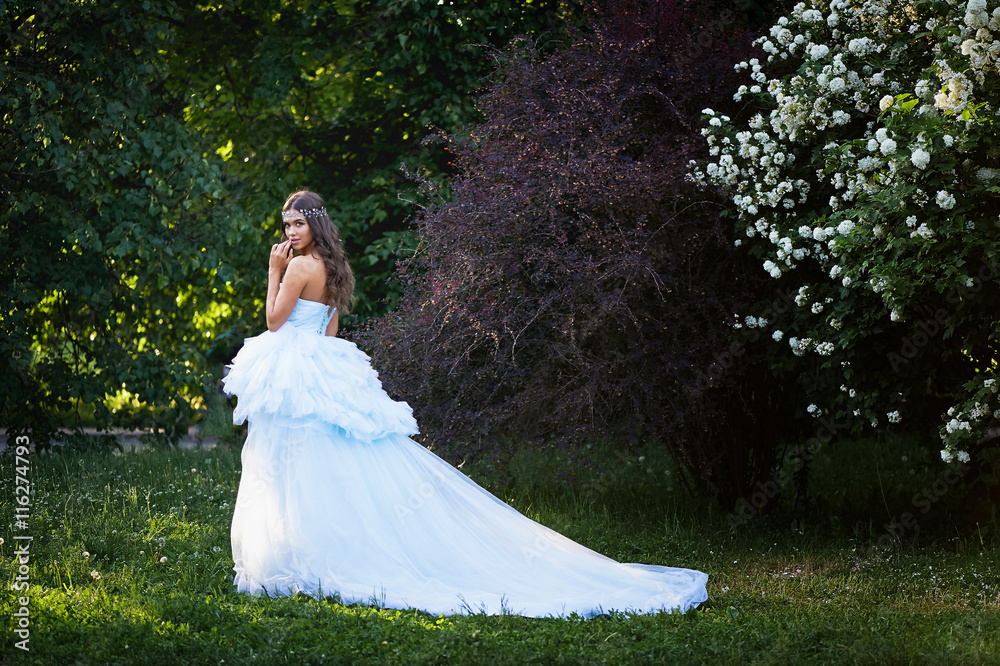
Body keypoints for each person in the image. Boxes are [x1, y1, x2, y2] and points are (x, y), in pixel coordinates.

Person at [223, 189, 709, 618]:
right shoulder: (331, 268)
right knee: (326, 459)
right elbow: (329, 331)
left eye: (298, 223)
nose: (290, 231)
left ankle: (299, 555)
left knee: (293, 461)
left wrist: (273, 271)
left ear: (316, 225)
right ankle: (318, 549)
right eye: (286, 224)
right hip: (320, 363)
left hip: (296, 366)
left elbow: (273, 321)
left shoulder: (299, 266)